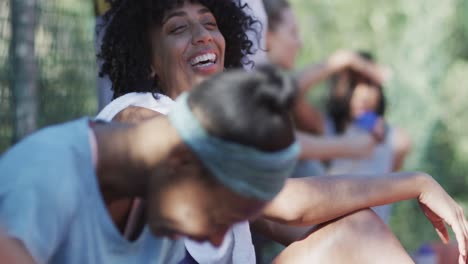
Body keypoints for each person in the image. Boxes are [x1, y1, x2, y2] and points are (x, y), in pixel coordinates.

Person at [97, 1, 468, 263]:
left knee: (357, 228)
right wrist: (415, 183)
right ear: (147, 63)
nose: (202, 36)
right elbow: (289, 202)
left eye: (210, 23)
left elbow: (284, 221)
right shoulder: (134, 116)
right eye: (178, 27)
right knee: (358, 231)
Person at [0, 66, 301, 264]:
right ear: (183, 160)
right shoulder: (43, 179)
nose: (216, 240)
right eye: (219, 219)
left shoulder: (156, 206)